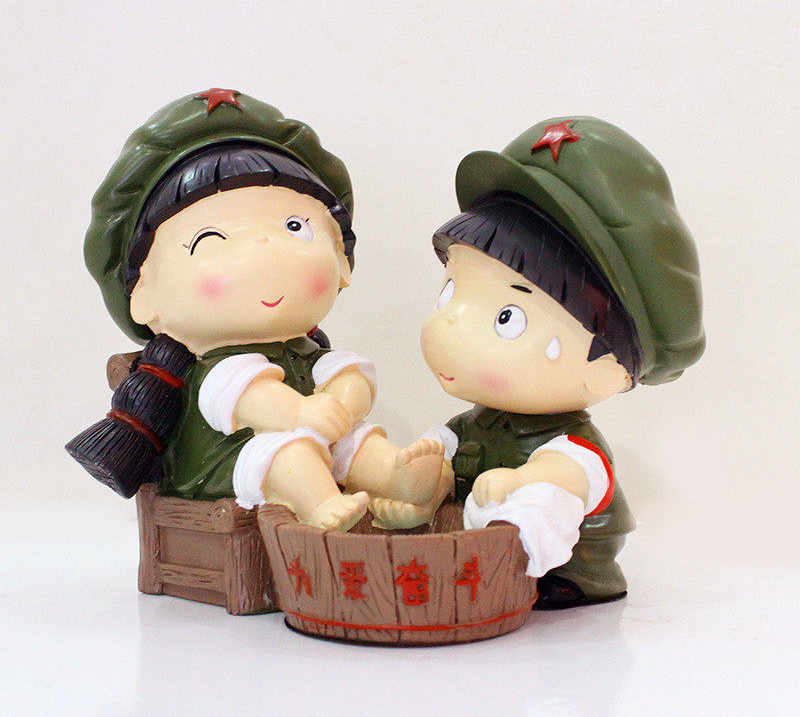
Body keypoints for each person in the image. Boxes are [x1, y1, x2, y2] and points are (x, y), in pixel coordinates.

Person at [67, 89, 446, 531]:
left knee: (354, 441)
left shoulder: (307, 350)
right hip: (227, 465)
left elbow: (349, 376)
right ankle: (321, 504)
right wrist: (302, 414)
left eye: (295, 226)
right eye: (211, 240)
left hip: (314, 432)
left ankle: (397, 477)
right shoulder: (214, 368)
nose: (268, 249)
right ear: (144, 295)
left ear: (341, 261)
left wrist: (344, 400)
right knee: (289, 453)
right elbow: (257, 400)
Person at [415, 117, 704, 608]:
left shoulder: (572, 445)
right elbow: (438, 455)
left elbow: (564, 474)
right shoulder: (473, 424)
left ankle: (579, 579)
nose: (451, 324)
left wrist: (522, 481)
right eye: (450, 290)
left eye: (507, 318)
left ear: (608, 368)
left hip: (572, 562)